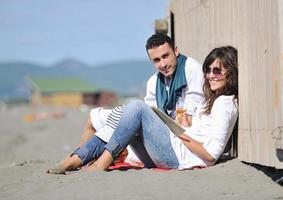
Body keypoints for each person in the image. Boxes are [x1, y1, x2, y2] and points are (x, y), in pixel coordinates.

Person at [47, 33, 204, 174]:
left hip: (181, 151)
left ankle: (101, 162)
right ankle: (76, 158)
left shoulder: (191, 69)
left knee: (136, 107)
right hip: (157, 148)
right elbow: (151, 120)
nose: (162, 64)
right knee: (115, 115)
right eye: (156, 60)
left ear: (176, 51)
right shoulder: (153, 82)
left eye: (165, 56)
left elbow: (189, 123)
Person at [84, 45, 239, 171]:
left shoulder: (225, 103)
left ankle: (97, 162)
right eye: (208, 70)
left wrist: (180, 134)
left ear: (230, 72)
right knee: (126, 118)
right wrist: (181, 127)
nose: (210, 75)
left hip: (179, 157)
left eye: (217, 71)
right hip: (176, 150)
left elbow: (211, 155)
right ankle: (82, 157)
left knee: (137, 108)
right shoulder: (211, 101)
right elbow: (200, 133)